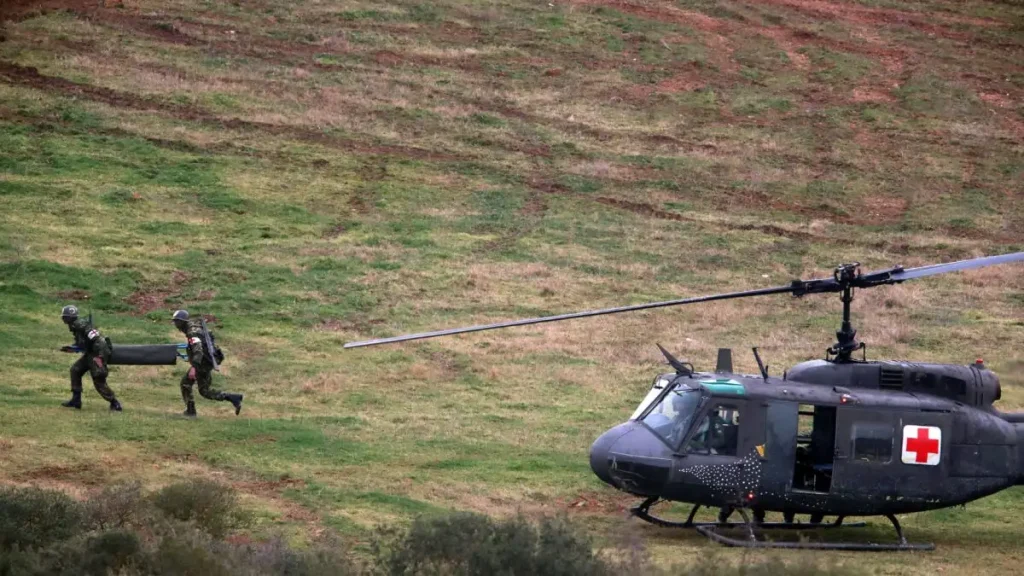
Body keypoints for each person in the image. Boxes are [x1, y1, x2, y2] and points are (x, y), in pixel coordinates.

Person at [172, 309, 242, 417]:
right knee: (204, 391)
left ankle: (191, 412)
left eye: (177, 321)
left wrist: (193, 367)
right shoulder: (194, 326)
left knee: (186, 384)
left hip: (202, 363)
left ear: (183, 321)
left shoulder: (192, 332)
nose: (175, 324)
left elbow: (198, 350)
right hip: (206, 361)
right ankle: (233, 398)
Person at [60, 305, 122, 411]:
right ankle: (76, 400)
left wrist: (100, 358)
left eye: (64, 317)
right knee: (75, 370)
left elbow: (98, 340)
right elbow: (84, 343)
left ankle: (115, 403)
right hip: (91, 353)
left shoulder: (80, 325)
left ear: (68, 318)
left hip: (97, 354)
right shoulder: (77, 326)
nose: (63, 320)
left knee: (98, 379)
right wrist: (73, 348)